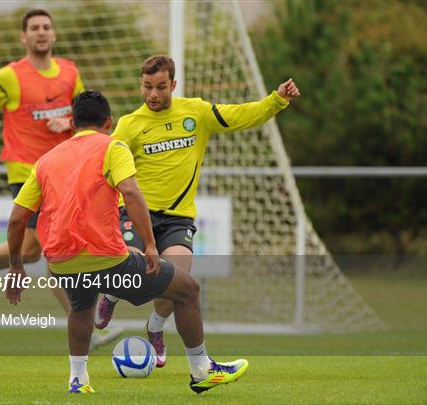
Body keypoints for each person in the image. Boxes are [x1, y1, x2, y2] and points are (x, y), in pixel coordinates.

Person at [6, 90, 249, 394]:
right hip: (108, 260)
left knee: (81, 309)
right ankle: (202, 370)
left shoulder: (45, 161)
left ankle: (78, 381)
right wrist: (149, 244)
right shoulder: (113, 148)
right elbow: (131, 193)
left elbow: (17, 219)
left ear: (71, 123)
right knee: (187, 289)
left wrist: (16, 266)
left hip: (61, 263)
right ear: (108, 122)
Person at [96, 55, 301, 367]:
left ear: (173, 85)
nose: (153, 94)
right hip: (137, 214)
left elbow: (240, 115)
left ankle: (155, 327)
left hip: (177, 217)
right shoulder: (129, 125)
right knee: (131, 263)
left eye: (161, 87)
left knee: (177, 275)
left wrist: (276, 101)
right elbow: (104, 166)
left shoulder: (196, 112)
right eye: (148, 87)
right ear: (141, 85)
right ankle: (110, 297)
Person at [0, 9, 118, 349]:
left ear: (54, 35)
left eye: (46, 27)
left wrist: (68, 121)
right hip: (26, 169)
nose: (41, 33)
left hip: (64, 168)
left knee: (35, 251)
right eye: (34, 28)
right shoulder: (9, 77)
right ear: (23, 37)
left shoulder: (70, 72)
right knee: (49, 248)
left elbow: (84, 112)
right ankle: (87, 334)